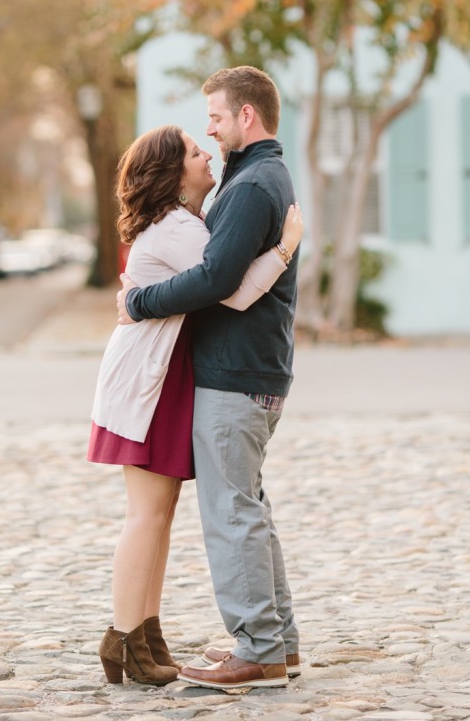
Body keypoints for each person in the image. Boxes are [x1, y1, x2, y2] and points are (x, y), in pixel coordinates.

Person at [88, 123, 302, 688]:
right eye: (192, 151)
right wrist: (284, 248)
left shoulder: (185, 223)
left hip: (162, 378)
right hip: (147, 384)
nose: (205, 152)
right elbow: (226, 286)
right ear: (171, 173)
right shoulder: (179, 228)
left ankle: (144, 634)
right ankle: (122, 637)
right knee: (146, 514)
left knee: (157, 514)